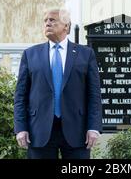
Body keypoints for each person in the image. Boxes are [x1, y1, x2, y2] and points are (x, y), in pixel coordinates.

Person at [14, 9, 102, 159]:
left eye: (53, 20)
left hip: (77, 130)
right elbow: (21, 95)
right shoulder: (30, 54)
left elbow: (94, 95)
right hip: (39, 130)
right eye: (46, 20)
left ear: (66, 26)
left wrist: (93, 127)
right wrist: (20, 128)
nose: (48, 23)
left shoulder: (85, 54)